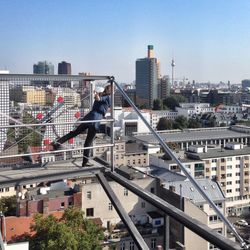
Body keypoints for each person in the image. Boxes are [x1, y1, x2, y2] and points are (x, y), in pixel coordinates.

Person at [51, 84, 112, 167]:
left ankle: (58, 142)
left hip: (88, 117)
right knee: (88, 142)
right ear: (111, 91)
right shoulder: (108, 97)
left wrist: (97, 94)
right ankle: (85, 162)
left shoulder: (101, 94)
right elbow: (99, 100)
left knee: (74, 133)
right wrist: (97, 96)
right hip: (95, 121)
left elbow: (97, 99)